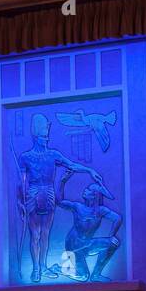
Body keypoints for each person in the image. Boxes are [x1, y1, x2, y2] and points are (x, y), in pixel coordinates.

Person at [16, 113, 102, 282]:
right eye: (43, 136)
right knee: (35, 234)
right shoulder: (25, 157)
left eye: (47, 136)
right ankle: (35, 269)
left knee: (46, 233)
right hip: (33, 193)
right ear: (36, 136)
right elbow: (21, 182)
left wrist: (89, 170)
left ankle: (43, 266)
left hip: (48, 192)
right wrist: (20, 201)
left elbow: (71, 164)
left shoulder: (53, 154)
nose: (46, 139)